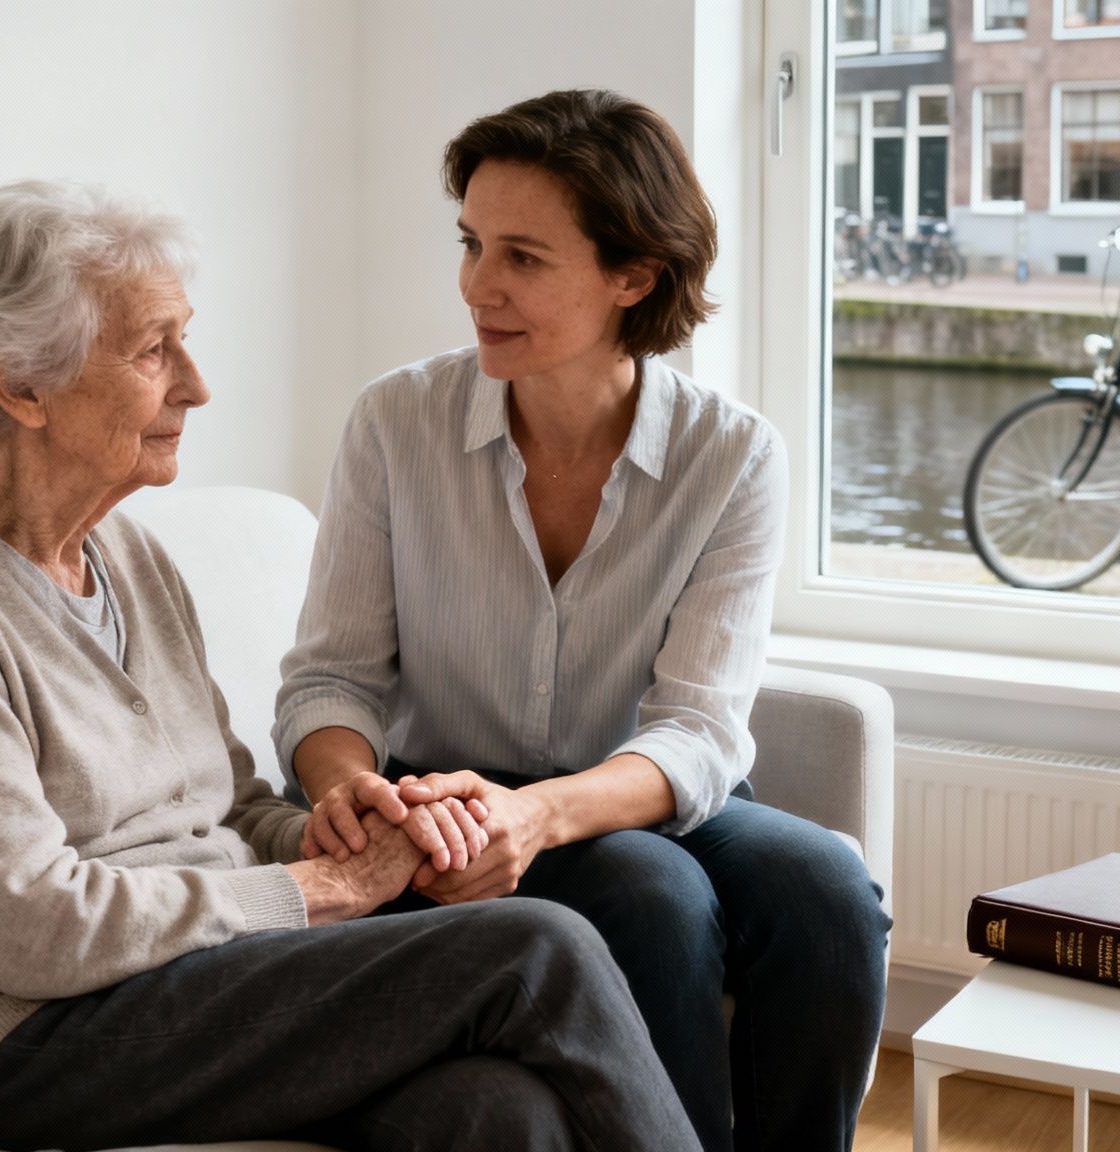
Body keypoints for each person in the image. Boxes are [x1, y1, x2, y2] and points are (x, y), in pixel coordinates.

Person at [0, 179, 700, 1152]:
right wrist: (328, 891)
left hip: (185, 979)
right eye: (150, 349)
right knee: (534, 951)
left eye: (184, 339)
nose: (195, 384)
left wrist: (335, 833)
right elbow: (25, 927)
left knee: (492, 1114)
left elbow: (221, 805)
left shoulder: (124, 554)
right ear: (20, 385)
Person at [275, 91, 892, 1152]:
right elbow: (330, 681)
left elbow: (698, 730)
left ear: (631, 276)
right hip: (444, 798)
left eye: (521, 256)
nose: (476, 286)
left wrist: (542, 815)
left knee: (825, 888)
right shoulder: (394, 422)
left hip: (636, 785)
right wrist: (349, 791)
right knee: (645, 891)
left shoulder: (733, 456)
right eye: (470, 244)